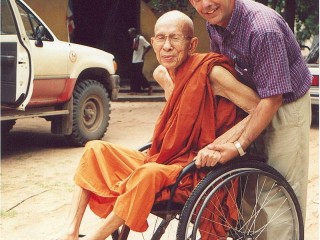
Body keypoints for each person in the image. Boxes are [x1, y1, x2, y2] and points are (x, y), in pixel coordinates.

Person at [57, 11, 260, 240]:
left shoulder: (211, 72)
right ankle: (70, 231)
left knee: (147, 173)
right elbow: (180, 113)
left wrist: (220, 145)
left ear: (191, 44)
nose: (167, 46)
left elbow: (257, 107)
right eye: (160, 38)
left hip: (194, 167)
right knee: (95, 149)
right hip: (163, 158)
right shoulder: (164, 73)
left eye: (175, 38)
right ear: (152, 43)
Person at [157, 1, 311, 239]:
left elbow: (272, 100)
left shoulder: (262, 29)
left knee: (276, 190)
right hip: (250, 100)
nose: (206, 4)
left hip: (284, 102)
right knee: (245, 185)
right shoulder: (214, 22)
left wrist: (239, 144)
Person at [128, 27, 153, 95]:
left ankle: (148, 86)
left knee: (139, 75)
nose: (130, 35)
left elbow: (148, 46)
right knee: (134, 75)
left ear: (134, 33)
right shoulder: (134, 39)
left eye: (131, 33)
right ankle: (135, 90)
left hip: (139, 60)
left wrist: (143, 54)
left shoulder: (141, 38)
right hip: (134, 59)